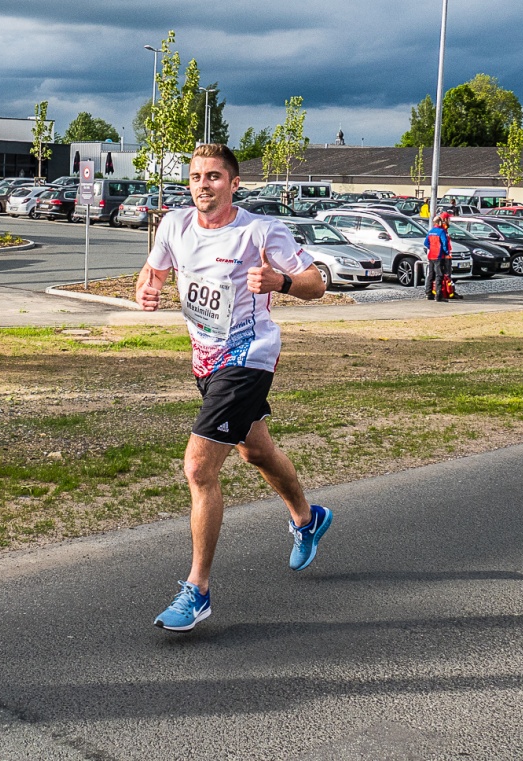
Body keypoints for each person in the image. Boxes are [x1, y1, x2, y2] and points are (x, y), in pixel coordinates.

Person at [135, 143, 332, 632]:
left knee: (199, 467)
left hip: (249, 357)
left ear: (234, 183)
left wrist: (281, 282)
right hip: (205, 360)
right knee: (255, 451)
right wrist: (148, 285)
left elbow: (318, 283)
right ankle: (308, 519)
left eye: (215, 177)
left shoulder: (261, 231)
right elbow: (154, 268)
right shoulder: (173, 225)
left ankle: (197, 590)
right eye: (197, 177)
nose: (204, 184)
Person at [425, 211, 453, 302]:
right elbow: (444, 243)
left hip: (431, 255)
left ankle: (428, 293)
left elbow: (426, 243)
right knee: (439, 275)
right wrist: (446, 252)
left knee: (430, 275)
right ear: (440, 222)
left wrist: (432, 247)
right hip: (438, 256)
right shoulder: (441, 231)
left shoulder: (430, 231)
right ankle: (438, 295)